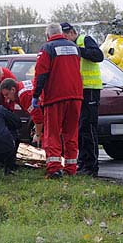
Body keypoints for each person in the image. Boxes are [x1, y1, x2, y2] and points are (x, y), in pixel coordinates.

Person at [32, 23, 83, 178]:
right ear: (62, 33)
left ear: (48, 35)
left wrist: (36, 95)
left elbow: (41, 74)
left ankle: (54, 169)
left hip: (55, 97)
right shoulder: (74, 48)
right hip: (75, 96)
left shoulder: (47, 48)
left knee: (52, 134)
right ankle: (71, 168)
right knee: (71, 134)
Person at [61, 22, 104, 177]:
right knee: (80, 129)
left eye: (66, 36)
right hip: (77, 92)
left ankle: (91, 167)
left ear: (72, 32)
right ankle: (82, 163)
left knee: (88, 129)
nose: (64, 39)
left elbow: (99, 56)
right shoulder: (67, 47)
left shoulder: (84, 40)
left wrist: (78, 50)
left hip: (90, 90)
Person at [0, 78, 44, 147]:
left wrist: (38, 134)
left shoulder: (23, 95)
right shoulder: (21, 86)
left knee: (48, 141)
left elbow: (38, 117)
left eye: (7, 94)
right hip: (50, 105)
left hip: (50, 108)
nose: (6, 98)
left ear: (13, 90)